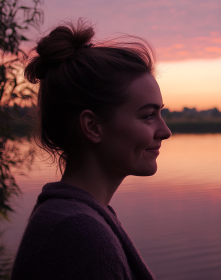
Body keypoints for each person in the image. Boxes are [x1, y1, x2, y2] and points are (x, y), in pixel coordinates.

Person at [12, 20, 171, 279]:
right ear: (92, 126)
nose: (166, 131)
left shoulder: (72, 218)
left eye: (160, 113)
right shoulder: (78, 233)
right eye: (148, 116)